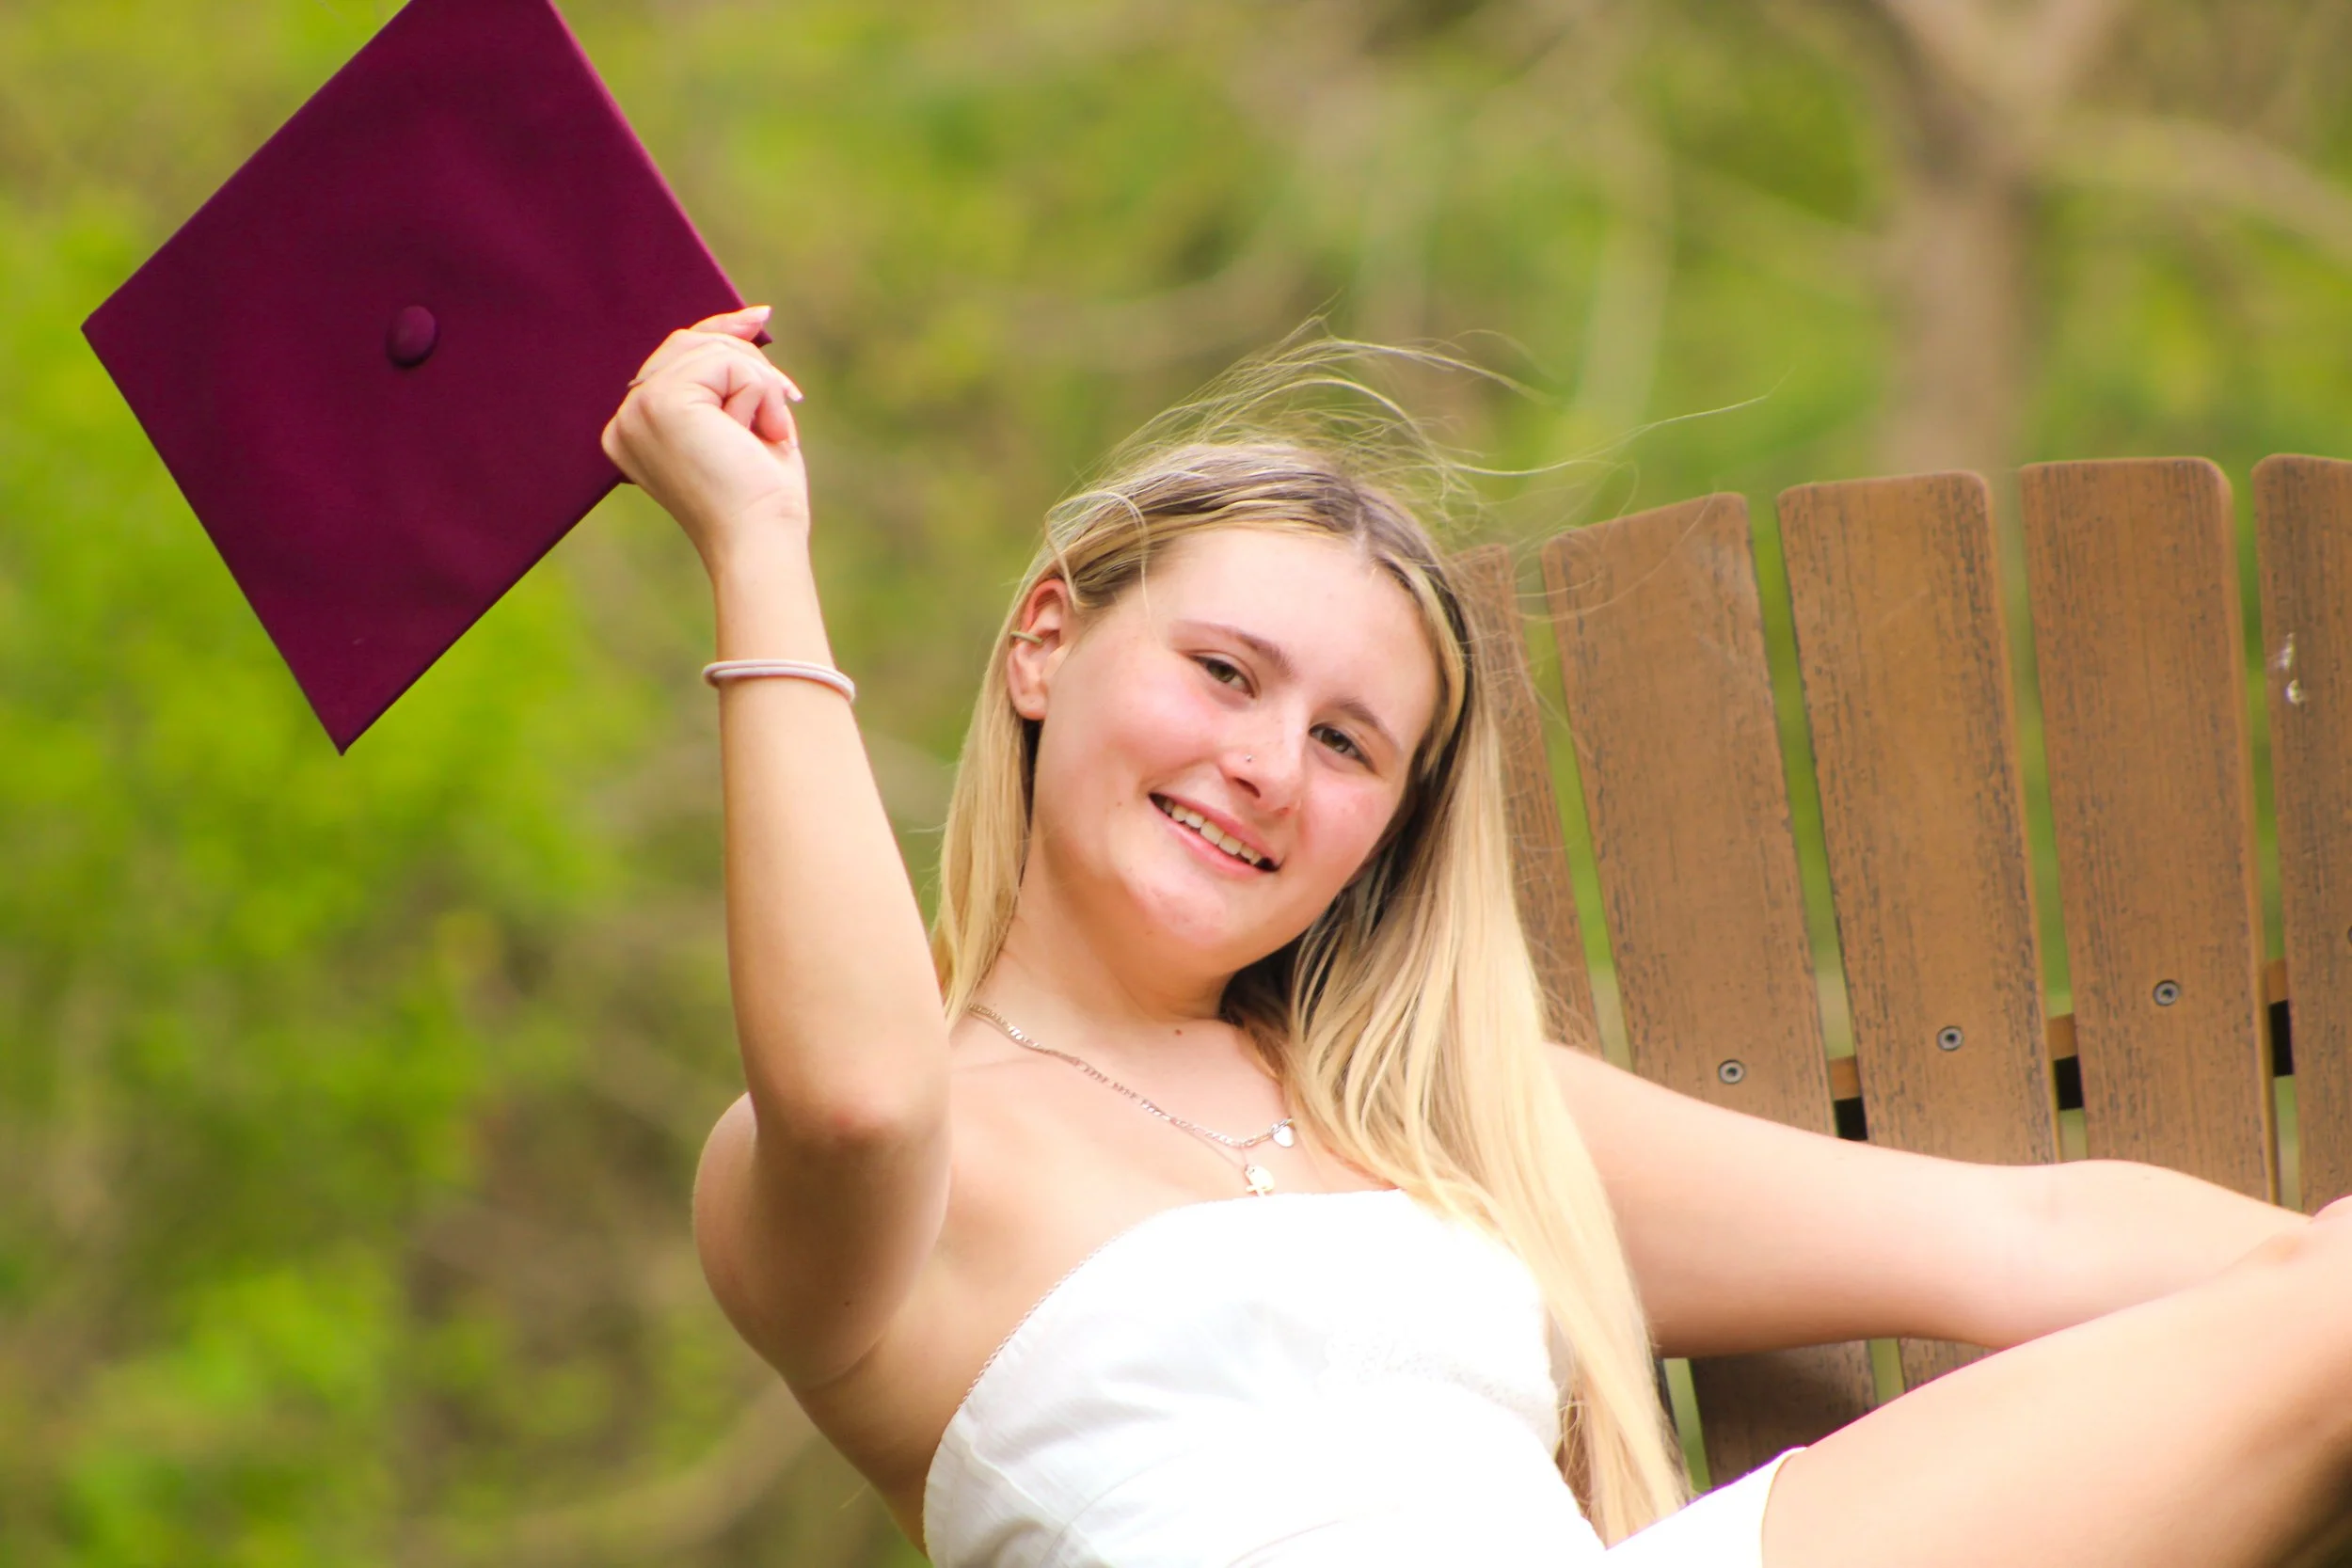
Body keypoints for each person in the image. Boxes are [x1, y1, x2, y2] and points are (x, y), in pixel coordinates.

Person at [600, 305, 2352, 1567]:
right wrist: (759, 544)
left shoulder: (1445, 1115)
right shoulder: (873, 1183)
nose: (1267, 767)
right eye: (1225, 672)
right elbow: (851, 1092)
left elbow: (2019, 1235)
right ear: (1045, 641)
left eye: (1349, 742)